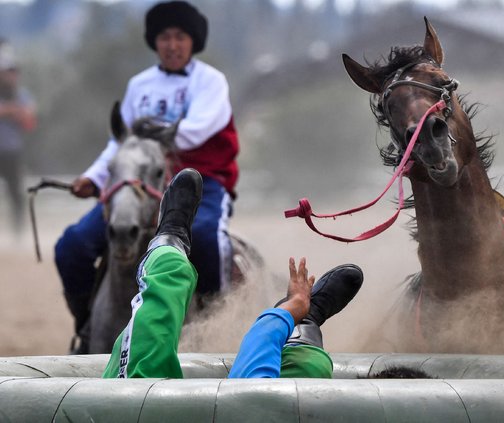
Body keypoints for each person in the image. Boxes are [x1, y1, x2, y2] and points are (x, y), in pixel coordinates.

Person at [55, 1, 240, 352]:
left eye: (180, 37)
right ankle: (86, 328)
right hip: (138, 184)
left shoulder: (211, 82)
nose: (172, 44)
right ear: (155, 42)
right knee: (72, 246)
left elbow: (197, 131)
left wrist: (145, 132)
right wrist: (93, 178)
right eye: (165, 37)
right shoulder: (139, 85)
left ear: (192, 41)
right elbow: (120, 143)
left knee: (203, 237)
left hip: (202, 183)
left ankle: (215, 331)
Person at [103, 168, 363, 379]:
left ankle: (169, 243)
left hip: (197, 176)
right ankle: (302, 324)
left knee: (74, 245)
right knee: (307, 371)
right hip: (136, 186)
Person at [0, 39, 36, 234]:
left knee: (16, 195)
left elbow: (29, 120)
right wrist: (11, 111)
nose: (11, 76)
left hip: (12, 153)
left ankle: (17, 232)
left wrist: (13, 111)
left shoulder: (21, 95)